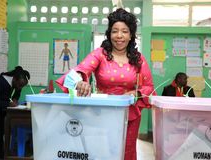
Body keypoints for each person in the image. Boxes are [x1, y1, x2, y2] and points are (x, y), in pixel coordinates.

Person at [55, 8, 156, 160]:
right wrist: (80, 83)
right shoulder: (100, 54)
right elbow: (77, 72)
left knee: (126, 152)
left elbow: (149, 87)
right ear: (109, 34)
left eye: (125, 31)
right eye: (115, 31)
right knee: (100, 152)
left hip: (130, 116)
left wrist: (136, 93)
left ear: (131, 35)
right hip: (101, 113)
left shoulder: (138, 59)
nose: (119, 36)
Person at [0, 66, 30, 159]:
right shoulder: (0, 82)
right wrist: (8, 103)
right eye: (20, 85)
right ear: (14, 79)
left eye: (22, 86)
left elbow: (17, 93)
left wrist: (15, 99)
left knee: (0, 134)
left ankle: (1, 155)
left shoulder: (16, 82)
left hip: (1, 111)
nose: (20, 87)